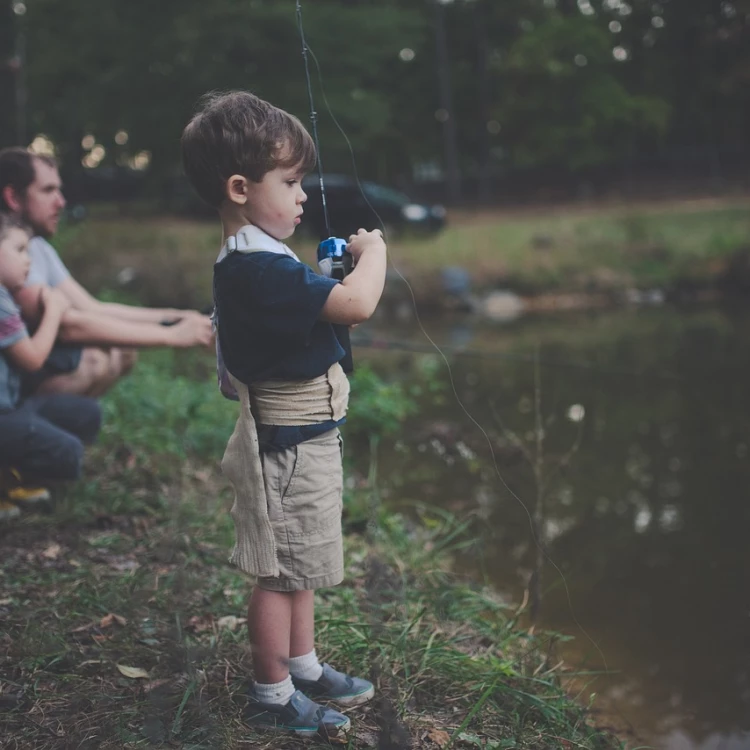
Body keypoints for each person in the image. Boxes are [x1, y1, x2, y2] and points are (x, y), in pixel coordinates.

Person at [181, 91, 387, 737]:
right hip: (289, 446)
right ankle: (271, 694)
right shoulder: (255, 268)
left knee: (301, 564)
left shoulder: (262, 259)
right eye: (291, 181)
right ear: (240, 187)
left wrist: (328, 273)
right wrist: (373, 255)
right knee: (278, 573)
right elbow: (355, 306)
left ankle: (302, 663)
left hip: (307, 438)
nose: (303, 195)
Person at [0, 147, 214, 399]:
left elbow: (91, 308)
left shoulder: (37, 247)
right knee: (94, 359)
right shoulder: (8, 254)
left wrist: (176, 316)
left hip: (29, 361)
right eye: (48, 190)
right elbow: (69, 326)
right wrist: (173, 335)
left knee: (122, 351)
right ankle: (29, 430)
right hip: (18, 372)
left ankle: (63, 432)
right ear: (13, 197)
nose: (61, 201)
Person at [0, 213, 101, 520]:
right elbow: (32, 359)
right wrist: (54, 311)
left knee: (87, 413)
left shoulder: (6, 296)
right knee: (67, 453)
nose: (28, 261)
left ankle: (9, 476)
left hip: (10, 409)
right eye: (19, 250)